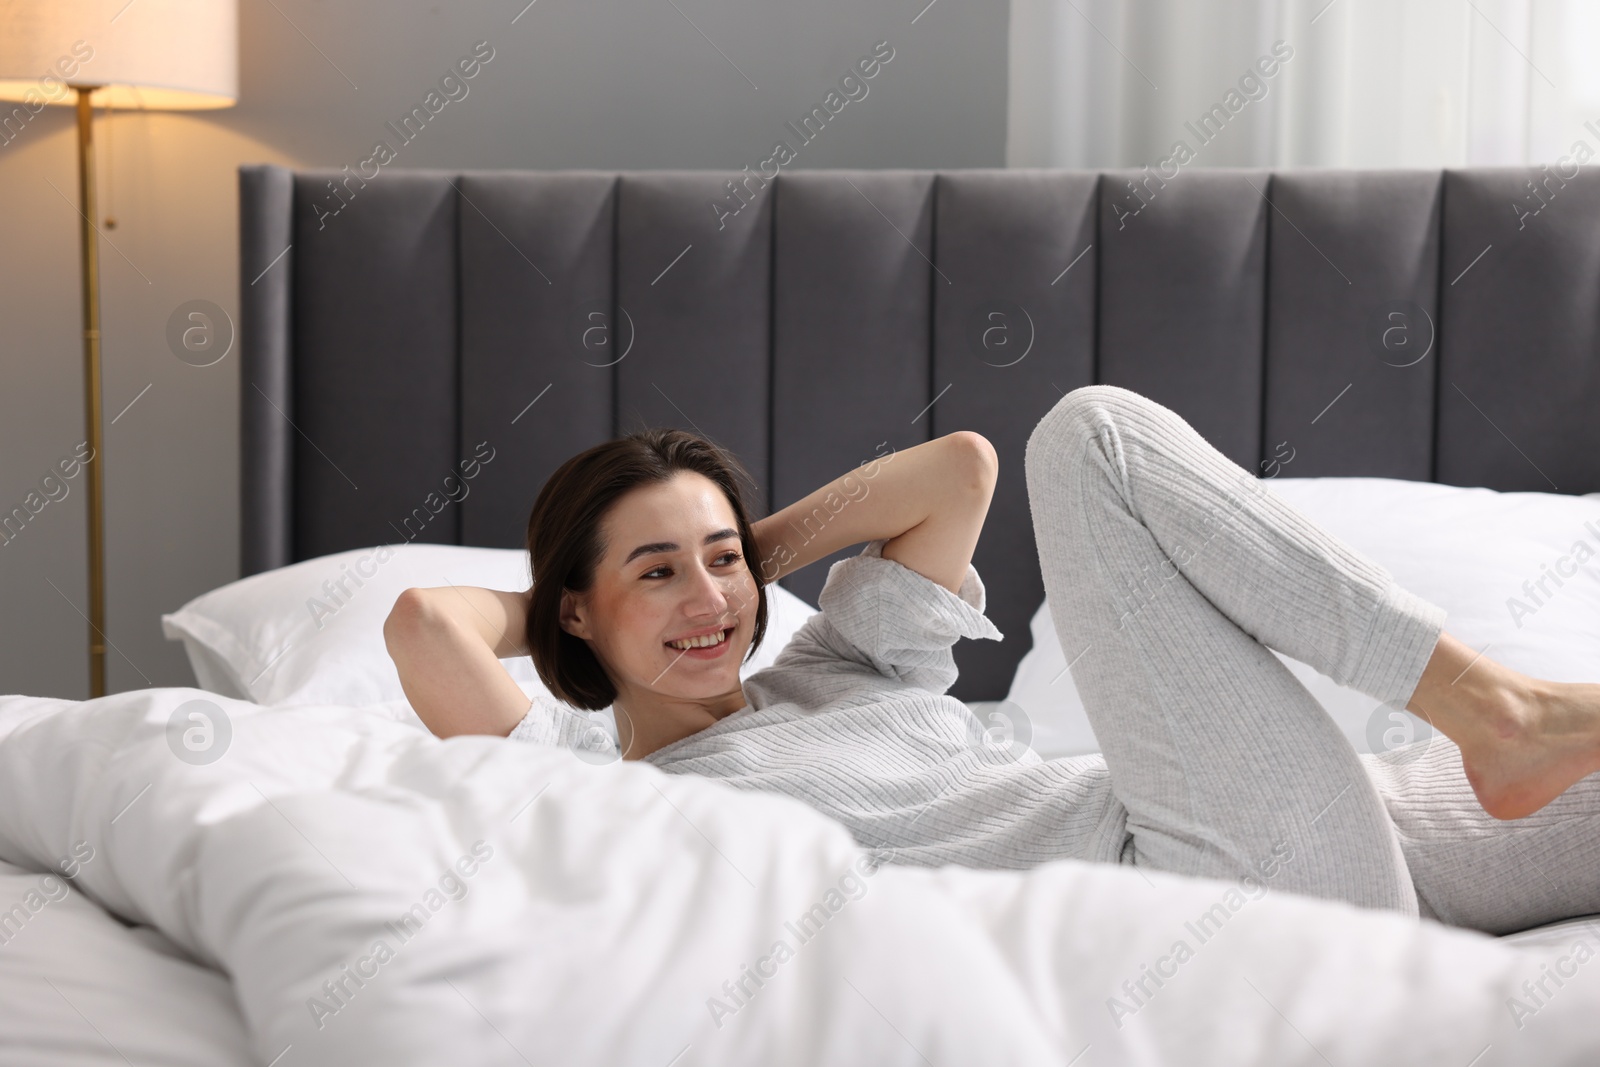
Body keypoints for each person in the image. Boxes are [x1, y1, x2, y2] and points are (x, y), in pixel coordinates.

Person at [383, 384, 1600, 934]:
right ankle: (1491, 702)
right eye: (657, 574)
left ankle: (1511, 724)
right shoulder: (603, 794)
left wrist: (729, 558)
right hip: (1202, 893)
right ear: (575, 614)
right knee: (1095, 437)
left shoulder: (838, 665)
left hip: (1308, 827)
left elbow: (954, 467)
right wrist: (581, 591)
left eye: (720, 561)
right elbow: (424, 628)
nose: (707, 598)